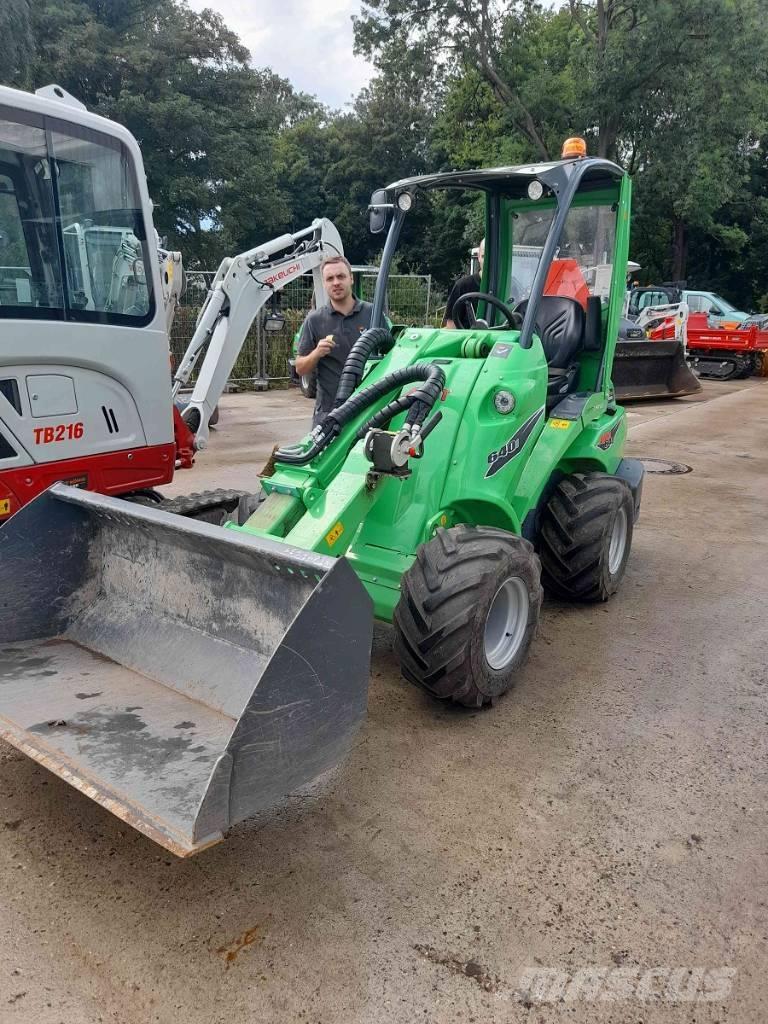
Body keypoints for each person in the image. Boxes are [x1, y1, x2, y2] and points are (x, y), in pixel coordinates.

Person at [296, 255, 373, 426]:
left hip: (368, 411)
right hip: (329, 413)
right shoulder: (314, 320)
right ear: (324, 284)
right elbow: (300, 367)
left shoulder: (372, 314)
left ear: (351, 279)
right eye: (330, 278)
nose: (336, 282)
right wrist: (316, 353)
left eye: (341, 276)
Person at [443, 238, 484, 328]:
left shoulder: (510, 288)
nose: (487, 261)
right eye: (484, 256)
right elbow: (451, 325)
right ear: (478, 257)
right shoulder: (463, 286)